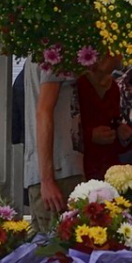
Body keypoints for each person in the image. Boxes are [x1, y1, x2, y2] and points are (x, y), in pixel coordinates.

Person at [24, 60, 84, 231]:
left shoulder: (40, 51)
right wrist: (47, 179)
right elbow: (44, 111)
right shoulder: (54, 51)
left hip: (51, 170)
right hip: (59, 172)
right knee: (60, 251)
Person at [77, 54, 129, 180]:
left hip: (109, 168)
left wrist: (122, 133)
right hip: (82, 167)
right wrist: (90, 136)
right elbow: (65, 129)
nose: (107, 55)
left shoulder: (114, 88)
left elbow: (113, 122)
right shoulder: (77, 84)